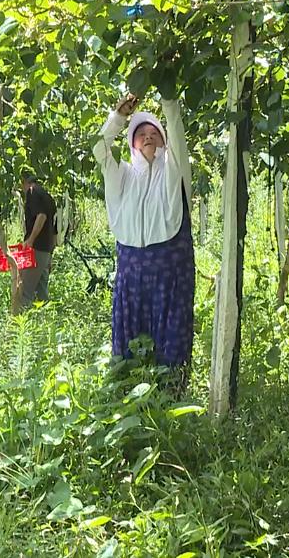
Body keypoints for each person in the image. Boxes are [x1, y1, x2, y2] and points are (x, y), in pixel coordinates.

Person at [92, 92, 195, 381]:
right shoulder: (122, 175)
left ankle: (170, 399)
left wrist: (168, 97)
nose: (148, 137)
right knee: (129, 344)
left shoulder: (174, 171)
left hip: (170, 271)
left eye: (154, 133)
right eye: (141, 134)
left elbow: (176, 131)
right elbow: (100, 149)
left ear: (164, 141)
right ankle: (127, 395)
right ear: (132, 143)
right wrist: (119, 117)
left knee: (170, 340)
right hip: (131, 271)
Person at [19, 172, 57, 311]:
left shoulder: (32, 192)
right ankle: (47, 325)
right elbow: (54, 228)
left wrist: (30, 240)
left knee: (25, 292)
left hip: (36, 249)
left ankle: (21, 328)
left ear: (25, 182)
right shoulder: (47, 196)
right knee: (42, 294)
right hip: (46, 249)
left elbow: (41, 216)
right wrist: (50, 254)